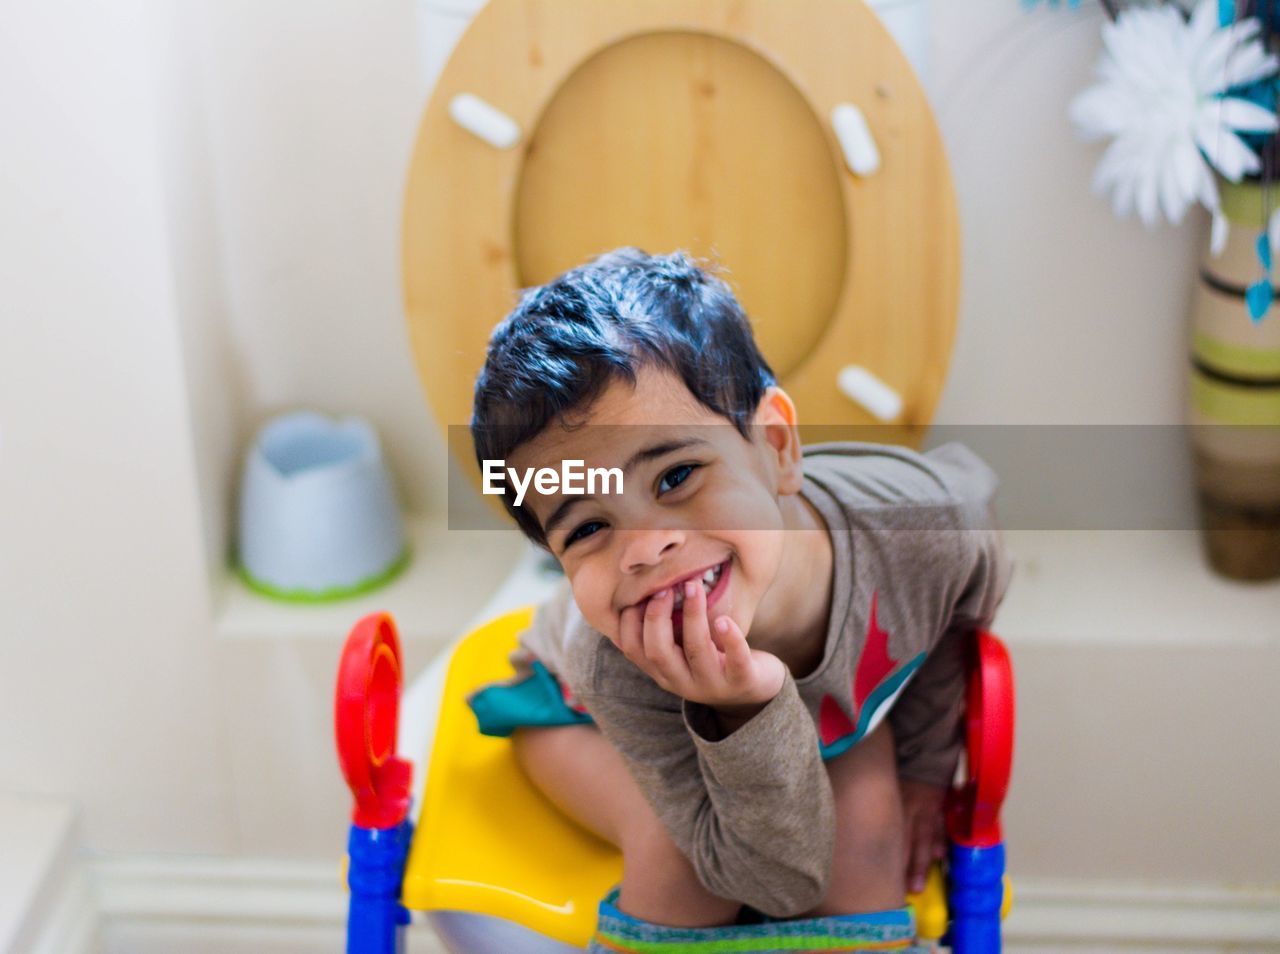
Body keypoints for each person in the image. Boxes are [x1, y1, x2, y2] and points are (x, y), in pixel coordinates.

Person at [465, 247, 1012, 943]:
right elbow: (770, 881)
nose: (643, 548)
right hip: (577, 716)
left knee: (868, 835)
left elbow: (968, 592)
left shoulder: (923, 530)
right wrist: (740, 708)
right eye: (591, 527)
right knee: (680, 865)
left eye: (675, 478)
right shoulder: (615, 659)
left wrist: (927, 768)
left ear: (778, 445)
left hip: (819, 716)